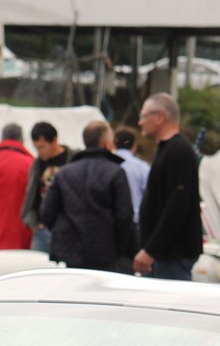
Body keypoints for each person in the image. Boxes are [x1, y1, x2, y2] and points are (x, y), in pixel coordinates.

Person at [38, 120, 137, 273]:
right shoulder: (115, 172)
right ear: (106, 143)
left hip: (72, 253)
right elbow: (124, 215)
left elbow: (46, 213)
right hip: (107, 253)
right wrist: (120, 246)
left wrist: (64, 233)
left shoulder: (65, 172)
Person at [133, 94, 201, 281]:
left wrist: (151, 250)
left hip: (172, 254)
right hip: (163, 254)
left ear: (160, 117)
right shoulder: (167, 149)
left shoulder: (178, 151)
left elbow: (176, 206)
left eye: (144, 116)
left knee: (167, 308)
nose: (140, 122)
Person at [20, 121, 68, 254]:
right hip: (43, 228)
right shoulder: (37, 164)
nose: (40, 152)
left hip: (67, 228)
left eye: (42, 147)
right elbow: (31, 195)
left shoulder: (71, 160)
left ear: (54, 140)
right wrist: (33, 224)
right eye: (37, 148)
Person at [112, 126, 150, 222]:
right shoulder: (143, 167)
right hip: (135, 221)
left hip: (110, 222)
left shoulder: (106, 164)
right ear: (134, 146)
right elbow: (150, 195)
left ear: (113, 143)